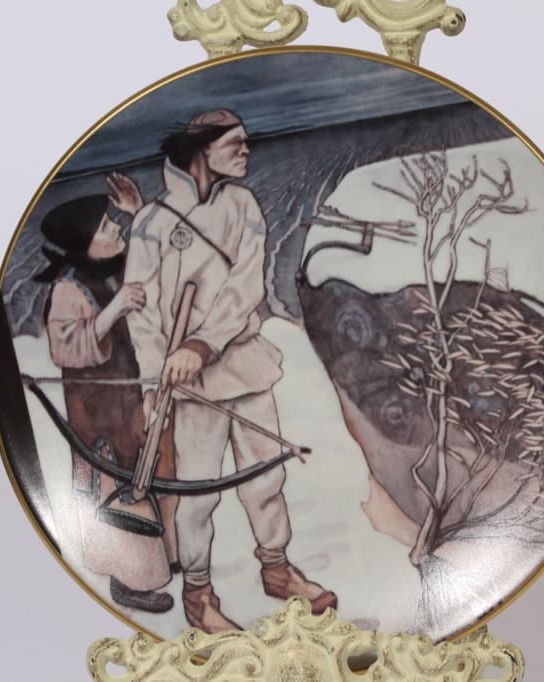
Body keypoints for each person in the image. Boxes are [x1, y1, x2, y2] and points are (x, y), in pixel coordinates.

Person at [123, 109, 337, 633]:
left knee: (267, 475)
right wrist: (154, 380)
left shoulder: (243, 205)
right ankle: (199, 596)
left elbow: (247, 286)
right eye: (235, 143)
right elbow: (140, 312)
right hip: (185, 383)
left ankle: (277, 569)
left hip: (241, 361)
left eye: (246, 142)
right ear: (204, 150)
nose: (246, 151)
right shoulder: (151, 222)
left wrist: (202, 343)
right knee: (197, 494)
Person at [35, 182, 178, 613]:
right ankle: (130, 581)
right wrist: (114, 310)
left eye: (112, 222)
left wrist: (137, 214)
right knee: (114, 491)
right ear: (84, 245)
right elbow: (65, 348)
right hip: (97, 413)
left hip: (127, 401)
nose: (114, 229)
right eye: (104, 226)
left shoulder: (112, 270)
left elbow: (153, 261)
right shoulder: (68, 290)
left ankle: (162, 560)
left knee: (147, 474)